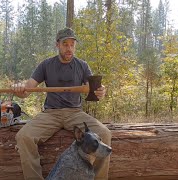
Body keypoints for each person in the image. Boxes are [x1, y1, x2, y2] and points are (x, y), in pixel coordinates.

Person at [13, 27, 111, 180]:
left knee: (104, 133)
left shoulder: (82, 65)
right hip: (51, 114)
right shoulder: (46, 65)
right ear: (57, 45)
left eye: (72, 44)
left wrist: (101, 91)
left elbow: (94, 89)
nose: (69, 48)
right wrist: (20, 89)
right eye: (65, 44)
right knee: (24, 137)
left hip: (75, 113)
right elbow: (27, 90)